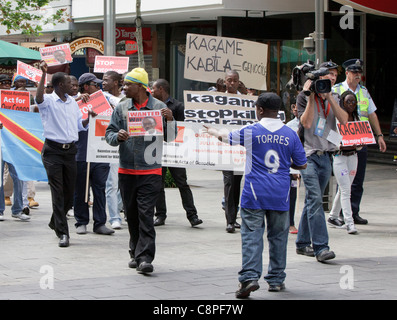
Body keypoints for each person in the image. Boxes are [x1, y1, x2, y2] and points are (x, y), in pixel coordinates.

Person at [203, 92, 307, 298]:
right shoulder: (290, 134)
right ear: (278, 111)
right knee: (278, 237)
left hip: (254, 193)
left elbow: (226, 137)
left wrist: (213, 131)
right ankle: (276, 280)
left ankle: (249, 278)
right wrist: (287, 163)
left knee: (252, 236)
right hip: (280, 194)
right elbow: (302, 163)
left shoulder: (251, 131)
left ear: (259, 110)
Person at [105, 68, 176, 274]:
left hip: (150, 171)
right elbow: (109, 133)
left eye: (128, 84)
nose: (124, 87)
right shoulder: (122, 107)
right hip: (127, 171)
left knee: (146, 215)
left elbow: (170, 138)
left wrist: (170, 120)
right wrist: (117, 135)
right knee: (132, 215)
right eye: (124, 84)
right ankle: (135, 251)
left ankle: (145, 258)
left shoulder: (160, 107)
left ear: (141, 87)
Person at [35, 61, 94, 247]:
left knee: (69, 193)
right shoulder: (49, 101)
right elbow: (38, 98)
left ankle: (55, 221)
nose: (73, 87)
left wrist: (87, 120)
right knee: (58, 192)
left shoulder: (72, 103)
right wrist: (44, 74)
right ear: (61, 85)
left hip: (71, 152)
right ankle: (63, 233)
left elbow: (78, 126)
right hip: (53, 152)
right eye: (70, 84)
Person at [295, 60, 348, 262]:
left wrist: (330, 99)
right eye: (328, 75)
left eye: (334, 75)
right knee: (316, 200)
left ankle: (301, 243)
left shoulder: (335, 97)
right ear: (318, 78)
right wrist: (310, 97)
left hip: (326, 155)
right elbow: (307, 123)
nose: (332, 78)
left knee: (312, 201)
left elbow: (344, 120)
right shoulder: (303, 96)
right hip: (307, 155)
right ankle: (321, 248)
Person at [333, 59, 387, 225]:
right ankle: (341, 214)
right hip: (343, 141)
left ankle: (354, 211)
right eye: (354, 72)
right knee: (343, 181)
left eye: (359, 73)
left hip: (360, 140)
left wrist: (379, 135)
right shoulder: (336, 90)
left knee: (357, 179)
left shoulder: (363, 91)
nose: (358, 75)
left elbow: (371, 114)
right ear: (347, 73)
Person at [151, 78, 202, 227]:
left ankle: (192, 216)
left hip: (175, 152)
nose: (151, 91)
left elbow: (183, 130)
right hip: (157, 150)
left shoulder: (178, 106)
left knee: (182, 183)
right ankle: (160, 215)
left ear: (161, 89)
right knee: (158, 185)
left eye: (153, 89)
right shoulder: (152, 106)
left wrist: (171, 119)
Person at [73, 73, 113, 236]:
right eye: (95, 84)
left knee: (99, 188)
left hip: (101, 152)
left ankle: (100, 223)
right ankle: (81, 221)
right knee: (81, 189)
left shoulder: (105, 100)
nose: (98, 87)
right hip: (82, 152)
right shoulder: (74, 103)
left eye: (99, 84)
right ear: (86, 87)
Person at [328, 91, 360, 234]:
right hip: (340, 157)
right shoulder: (336, 118)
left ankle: (333, 216)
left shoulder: (356, 118)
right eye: (348, 102)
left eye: (353, 102)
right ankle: (349, 222)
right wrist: (340, 145)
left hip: (353, 157)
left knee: (344, 189)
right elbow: (329, 136)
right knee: (346, 190)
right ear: (342, 102)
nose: (351, 105)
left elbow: (360, 139)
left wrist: (359, 144)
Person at [0, 76, 29, 222]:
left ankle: (17, 209)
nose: (5, 85)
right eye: (2, 83)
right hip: (0, 144)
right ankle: (0, 210)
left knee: (18, 177)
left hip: (14, 144)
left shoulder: (17, 98)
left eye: (7, 83)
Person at [102, 71, 125, 229]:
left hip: (124, 146)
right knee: (111, 183)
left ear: (116, 82)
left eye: (106, 80)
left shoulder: (126, 99)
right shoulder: (100, 98)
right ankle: (114, 217)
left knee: (122, 183)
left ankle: (118, 207)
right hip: (105, 145)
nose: (103, 83)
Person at [221, 70, 243, 233]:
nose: (232, 83)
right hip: (224, 149)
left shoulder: (245, 101)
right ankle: (230, 220)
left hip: (240, 150)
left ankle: (234, 217)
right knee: (228, 183)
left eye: (234, 80)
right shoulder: (218, 100)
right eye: (229, 80)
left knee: (236, 185)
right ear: (225, 82)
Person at [285, 98, 300, 234]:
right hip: (293, 166)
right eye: (293, 106)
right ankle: (290, 222)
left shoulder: (311, 123)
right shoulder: (289, 126)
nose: (296, 109)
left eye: (298, 106)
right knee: (292, 194)